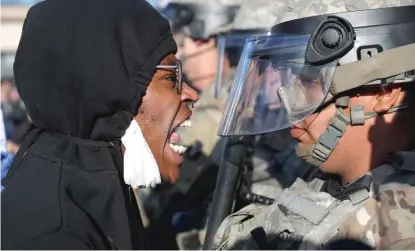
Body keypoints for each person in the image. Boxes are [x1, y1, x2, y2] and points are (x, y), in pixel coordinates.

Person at [212, 0, 415, 249]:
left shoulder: (397, 226)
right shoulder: (321, 184)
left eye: (309, 81)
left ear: (386, 91)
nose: (288, 104)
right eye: (290, 77)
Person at [1, 0, 198, 249]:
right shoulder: (56, 235)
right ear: (107, 89)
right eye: (171, 76)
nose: (191, 93)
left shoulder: (92, 181)